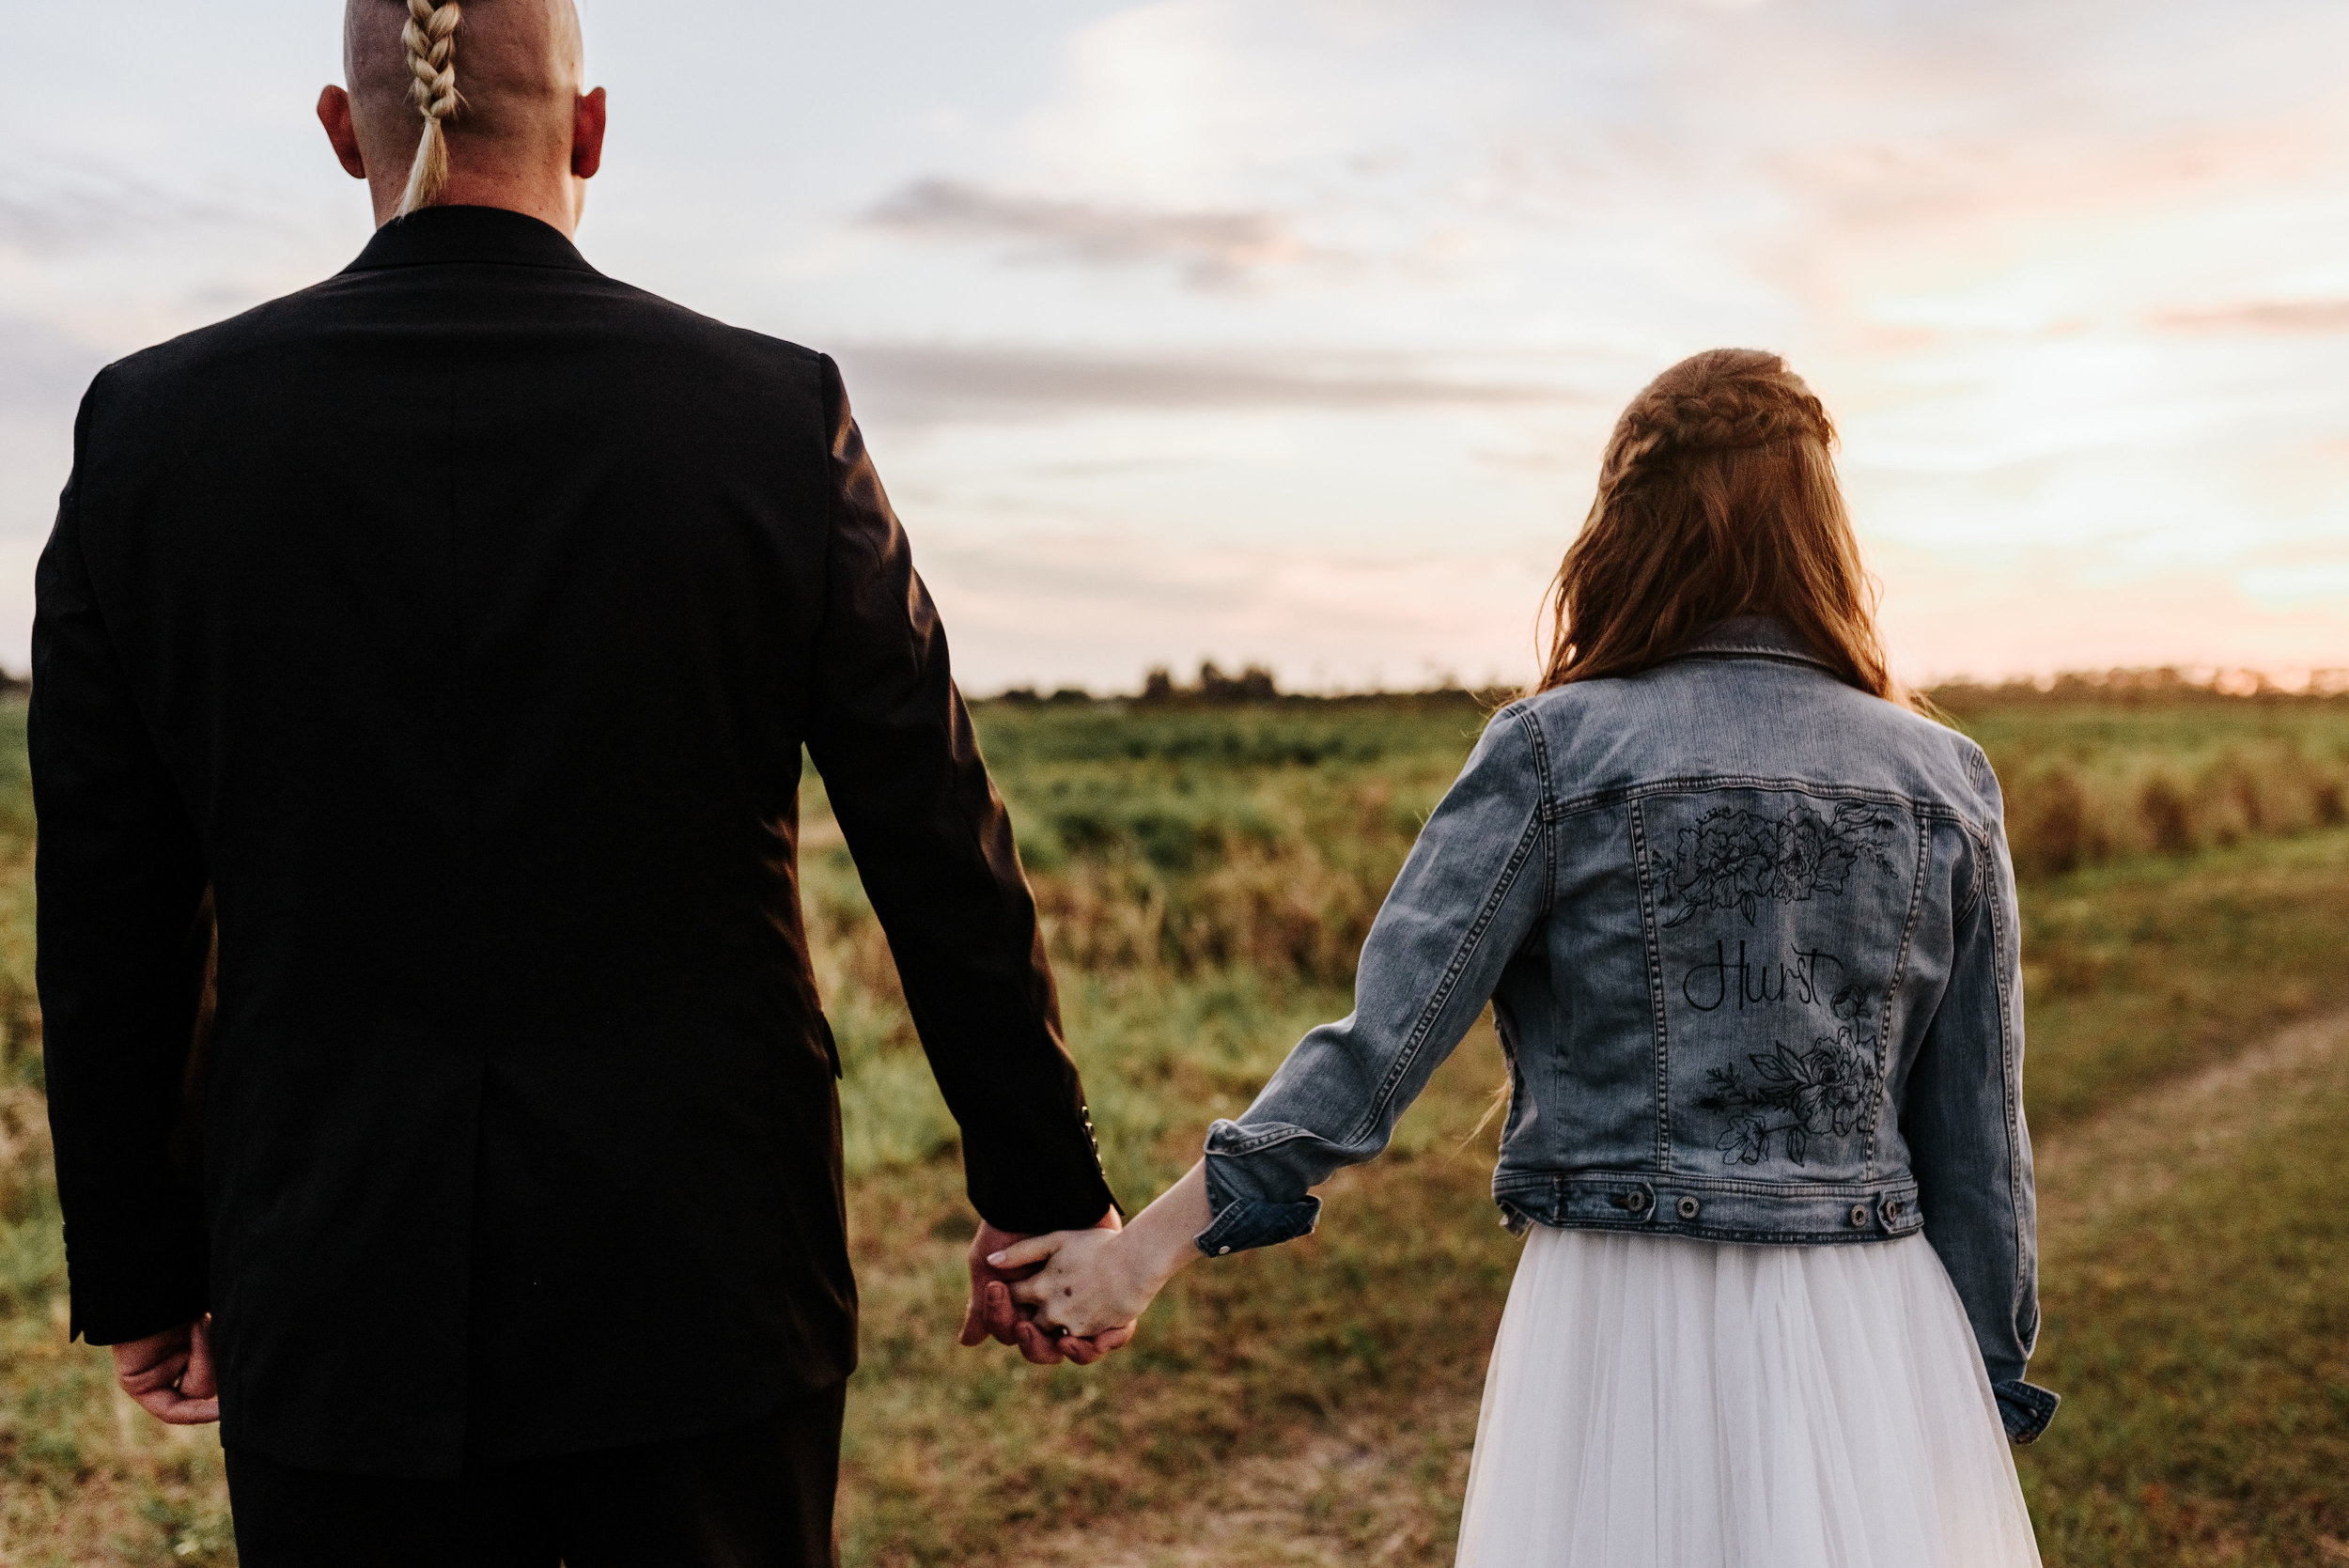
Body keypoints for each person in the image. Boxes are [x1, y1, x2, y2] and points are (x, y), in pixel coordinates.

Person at [34, 2, 1123, 1563]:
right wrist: (1041, 1188)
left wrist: (140, 1263)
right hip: (705, 1292)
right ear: (591, 130)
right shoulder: (767, 418)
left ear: (346, 136)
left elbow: (110, 897)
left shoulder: (148, 434)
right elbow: (935, 834)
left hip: (334, 1288)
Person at [996, 349, 2056, 1566]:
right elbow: (1981, 1138)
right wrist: (1977, 1382)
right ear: (1823, 530)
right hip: (1873, 1324)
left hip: (1619, 1323)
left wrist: (1146, 1248)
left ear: (1629, 528)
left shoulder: (1554, 749)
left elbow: (1376, 1051)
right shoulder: (1942, 778)